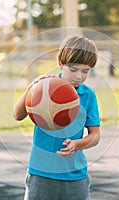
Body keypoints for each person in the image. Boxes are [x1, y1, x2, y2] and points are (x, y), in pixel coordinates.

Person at [14, 35, 101, 200]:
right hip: (41, 173)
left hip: (75, 175)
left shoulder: (88, 96)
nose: (79, 76)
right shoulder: (44, 88)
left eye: (85, 71)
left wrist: (77, 144)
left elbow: (95, 136)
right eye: (74, 69)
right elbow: (18, 115)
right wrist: (32, 86)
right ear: (60, 63)